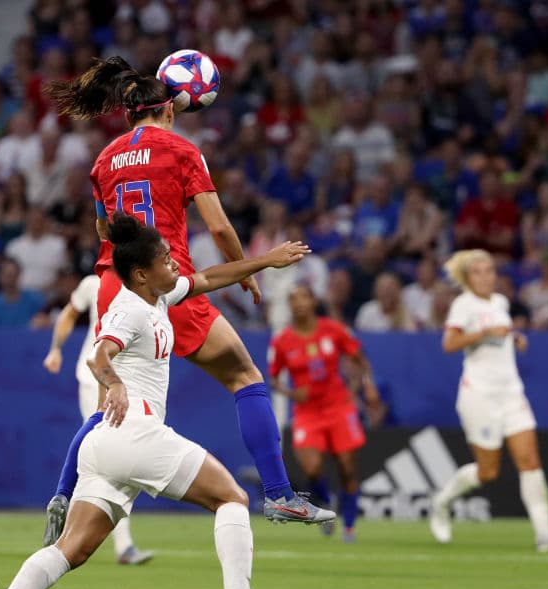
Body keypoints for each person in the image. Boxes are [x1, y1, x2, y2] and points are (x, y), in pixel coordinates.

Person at [0, 214, 310, 589]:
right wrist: (113, 384)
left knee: (74, 549)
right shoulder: (130, 309)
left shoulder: (160, 297)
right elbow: (99, 354)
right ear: (141, 274)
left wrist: (266, 261)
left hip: (105, 446)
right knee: (232, 497)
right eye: (167, 261)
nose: (175, 265)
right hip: (136, 431)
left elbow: (209, 277)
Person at [38, 56, 334, 541]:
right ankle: (280, 494)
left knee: (106, 407)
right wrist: (247, 273)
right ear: (171, 110)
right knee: (245, 375)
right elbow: (218, 226)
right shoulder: (181, 150)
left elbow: (100, 227)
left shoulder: (103, 159)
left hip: (116, 282)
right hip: (166, 282)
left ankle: (64, 495)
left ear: (129, 113)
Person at [428, 249, 548, 553]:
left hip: (511, 393)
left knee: (530, 461)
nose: (486, 276)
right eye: (479, 271)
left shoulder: (500, 302)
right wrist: (484, 333)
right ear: (468, 277)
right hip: (479, 395)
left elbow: (500, 332)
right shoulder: (463, 305)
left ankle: (544, 535)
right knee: (488, 472)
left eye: (490, 270)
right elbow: (449, 343)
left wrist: (513, 337)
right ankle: (441, 502)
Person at [42, 273, 154, 564]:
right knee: (110, 453)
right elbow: (69, 313)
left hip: (122, 377)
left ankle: (65, 504)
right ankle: (81, 523)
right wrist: (55, 349)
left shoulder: (139, 279)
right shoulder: (98, 283)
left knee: (110, 453)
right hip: (100, 376)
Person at [268, 285, 379, 543]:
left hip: (338, 406)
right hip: (307, 412)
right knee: (313, 467)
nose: (300, 304)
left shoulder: (333, 330)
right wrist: (293, 394)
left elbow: (360, 360)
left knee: (347, 467)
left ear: (313, 301)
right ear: (290, 305)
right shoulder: (282, 341)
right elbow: (273, 380)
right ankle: (327, 505)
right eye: (294, 299)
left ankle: (349, 527)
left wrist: (367, 386)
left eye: (304, 298)